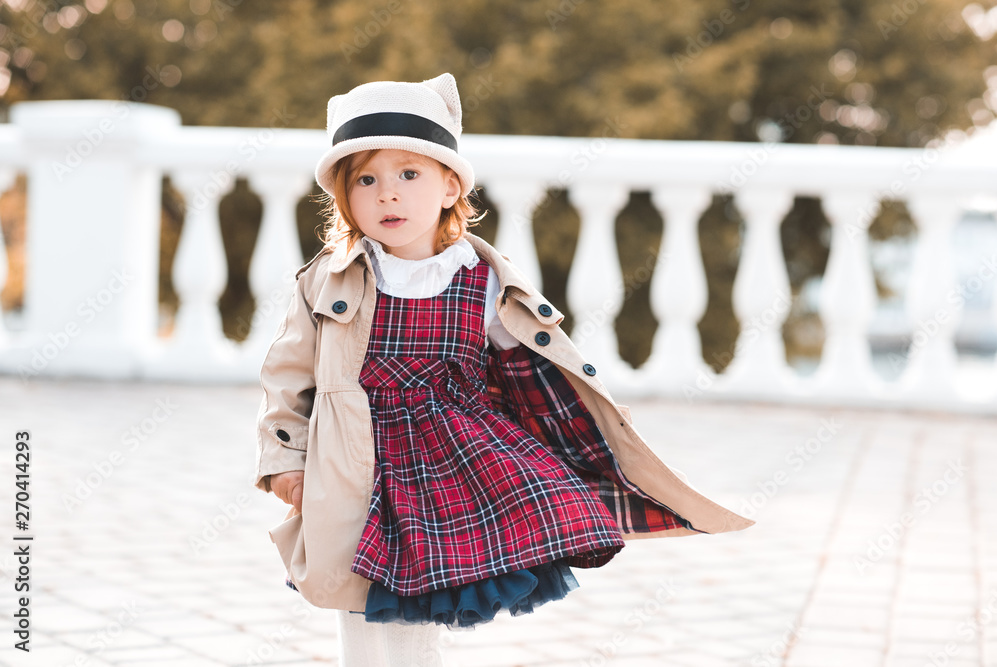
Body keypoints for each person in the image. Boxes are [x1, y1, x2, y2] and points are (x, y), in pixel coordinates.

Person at [253, 73, 754, 666]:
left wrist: (570, 450)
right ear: (345, 197)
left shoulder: (483, 280)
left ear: (448, 188)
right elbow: (288, 376)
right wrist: (284, 462)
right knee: (356, 603)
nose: (388, 194)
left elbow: (530, 376)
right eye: (366, 179)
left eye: (408, 174)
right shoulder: (326, 280)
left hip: (448, 465)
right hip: (353, 457)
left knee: (419, 608)